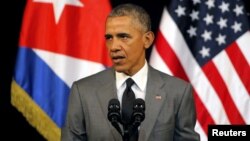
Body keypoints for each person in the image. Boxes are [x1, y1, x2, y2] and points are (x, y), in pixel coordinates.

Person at [61, 3, 200, 141]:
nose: (114, 46)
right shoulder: (83, 91)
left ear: (147, 40)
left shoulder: (178, 92)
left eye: (123, 37)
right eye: (109, 38)